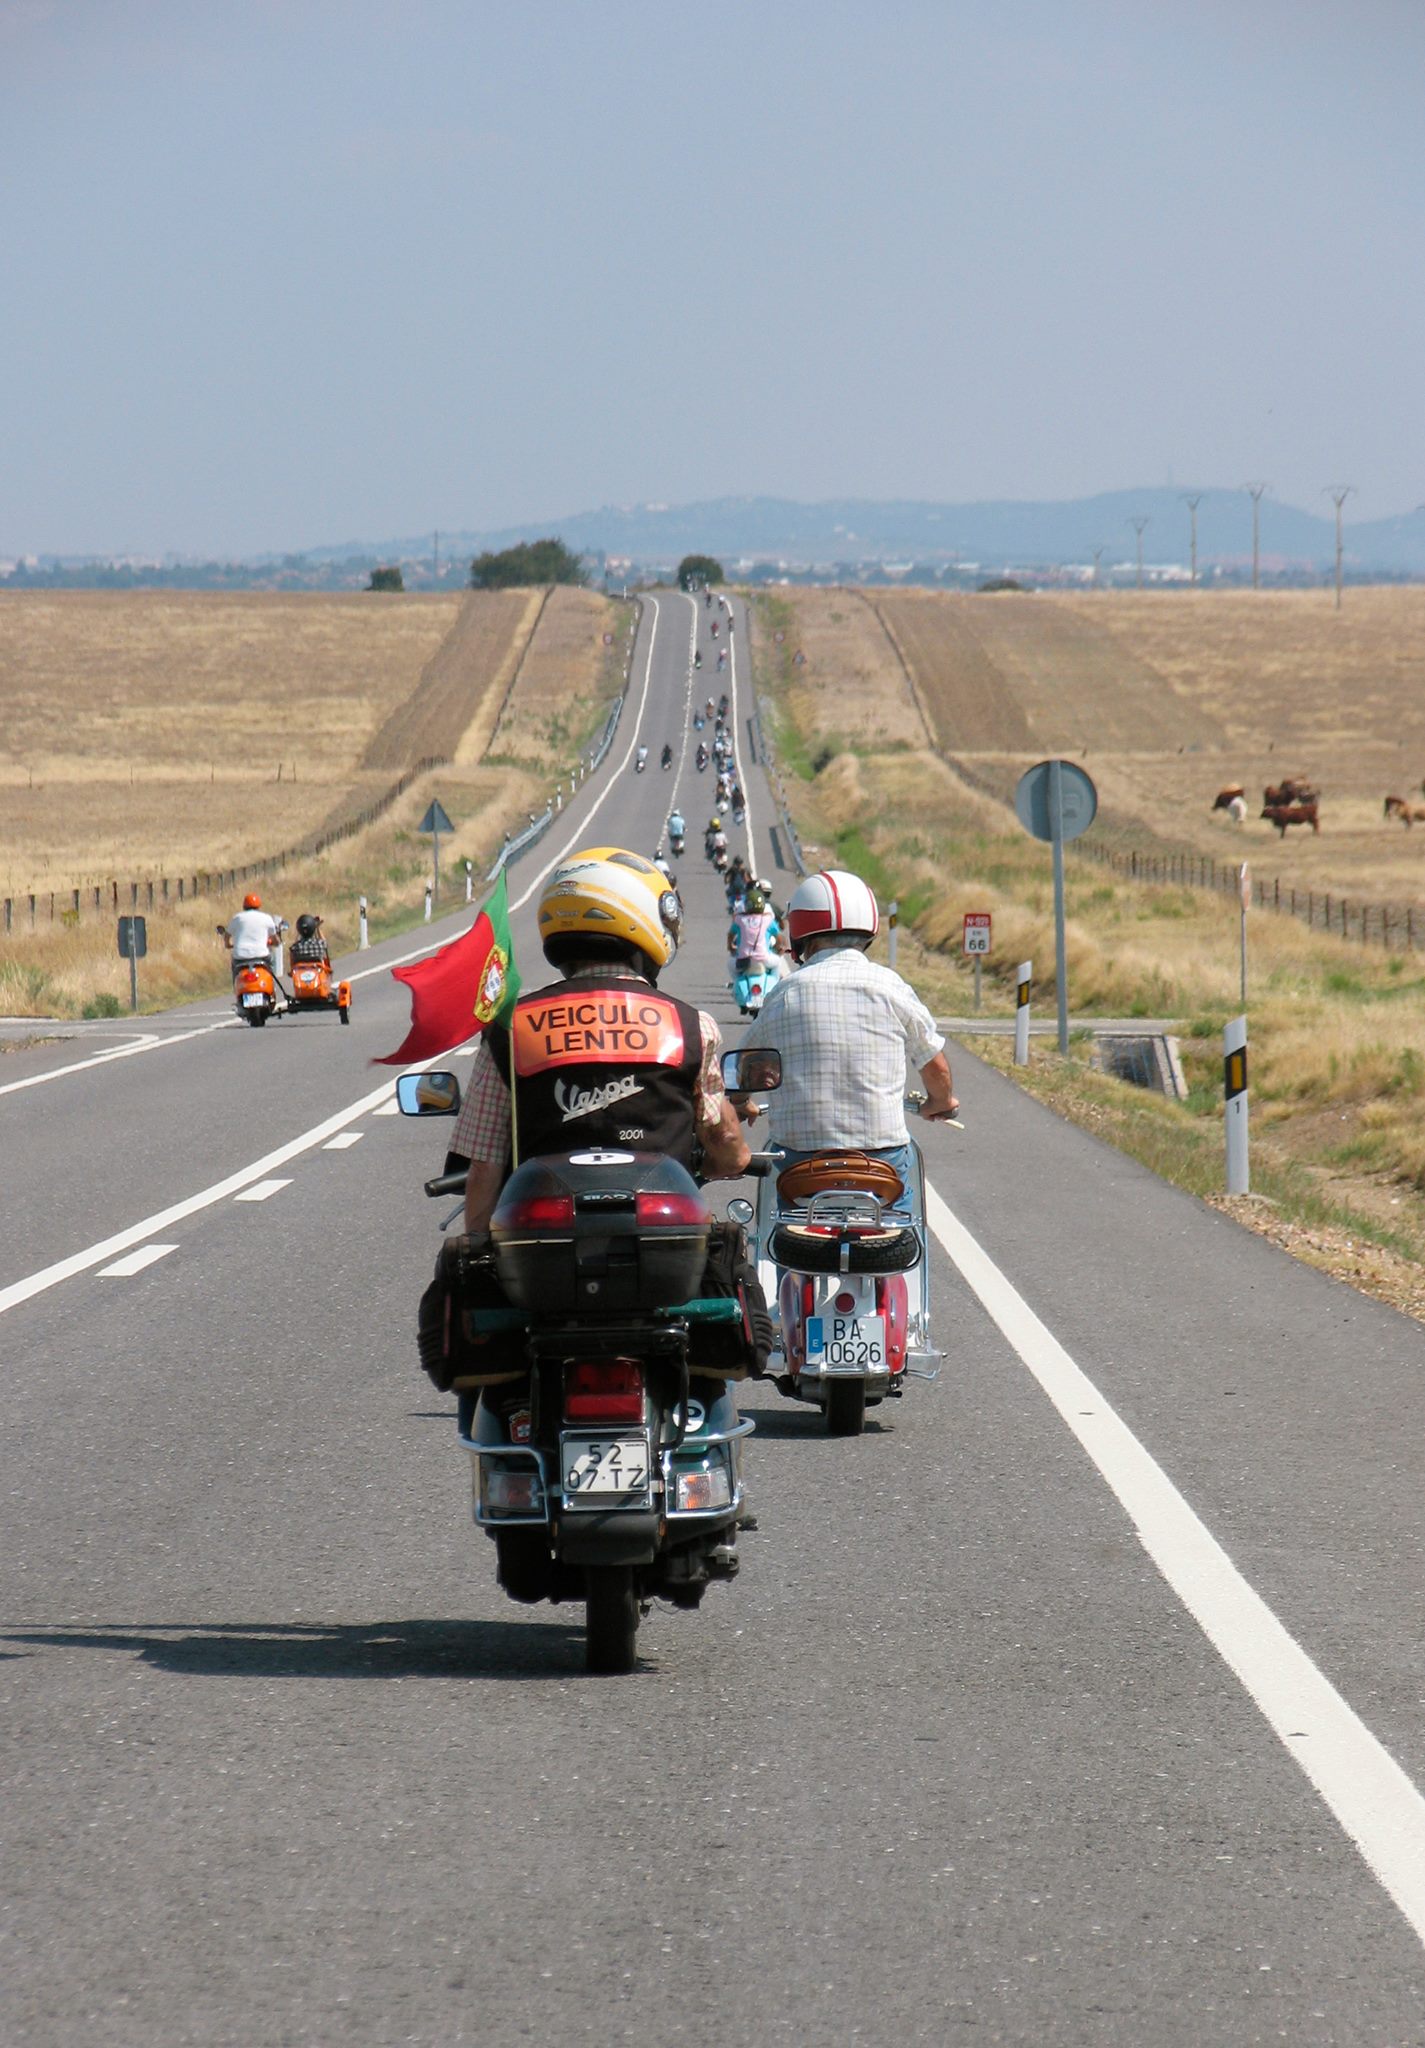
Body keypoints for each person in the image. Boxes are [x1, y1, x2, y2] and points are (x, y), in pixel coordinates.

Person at [448, 848, 750, 1236]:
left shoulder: (511, 1026)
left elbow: (484, 1164)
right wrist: (715, 1164)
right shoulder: (691, 1026)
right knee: (730, 1257)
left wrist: (476, 1243)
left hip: (542, 1242)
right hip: (662, 1237)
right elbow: (726, 1143)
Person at [734, 868, 957, 1214]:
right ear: (869, 928)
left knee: (785, 1225)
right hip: (880, 1161)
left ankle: (788, 1250)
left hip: (800, 1164)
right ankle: (897, 1246)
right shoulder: (890, 986)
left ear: (800, 931)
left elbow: (744, 1066)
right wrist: (939, 1101)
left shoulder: (783, 994)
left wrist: (742, 1101)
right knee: (900, 1218)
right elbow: (935, 1066)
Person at [223, 892, 281, 979]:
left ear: (244, 906)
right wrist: (275, 943)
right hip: (261, 955)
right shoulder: (266, 918)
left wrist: (228, 945)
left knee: (236, 972)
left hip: (240, 956)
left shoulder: (237, 918)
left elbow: (227, 935)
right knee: (271, 966)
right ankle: (271, 982)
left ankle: (236, 983)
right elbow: (275, 939)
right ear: (259, 906)